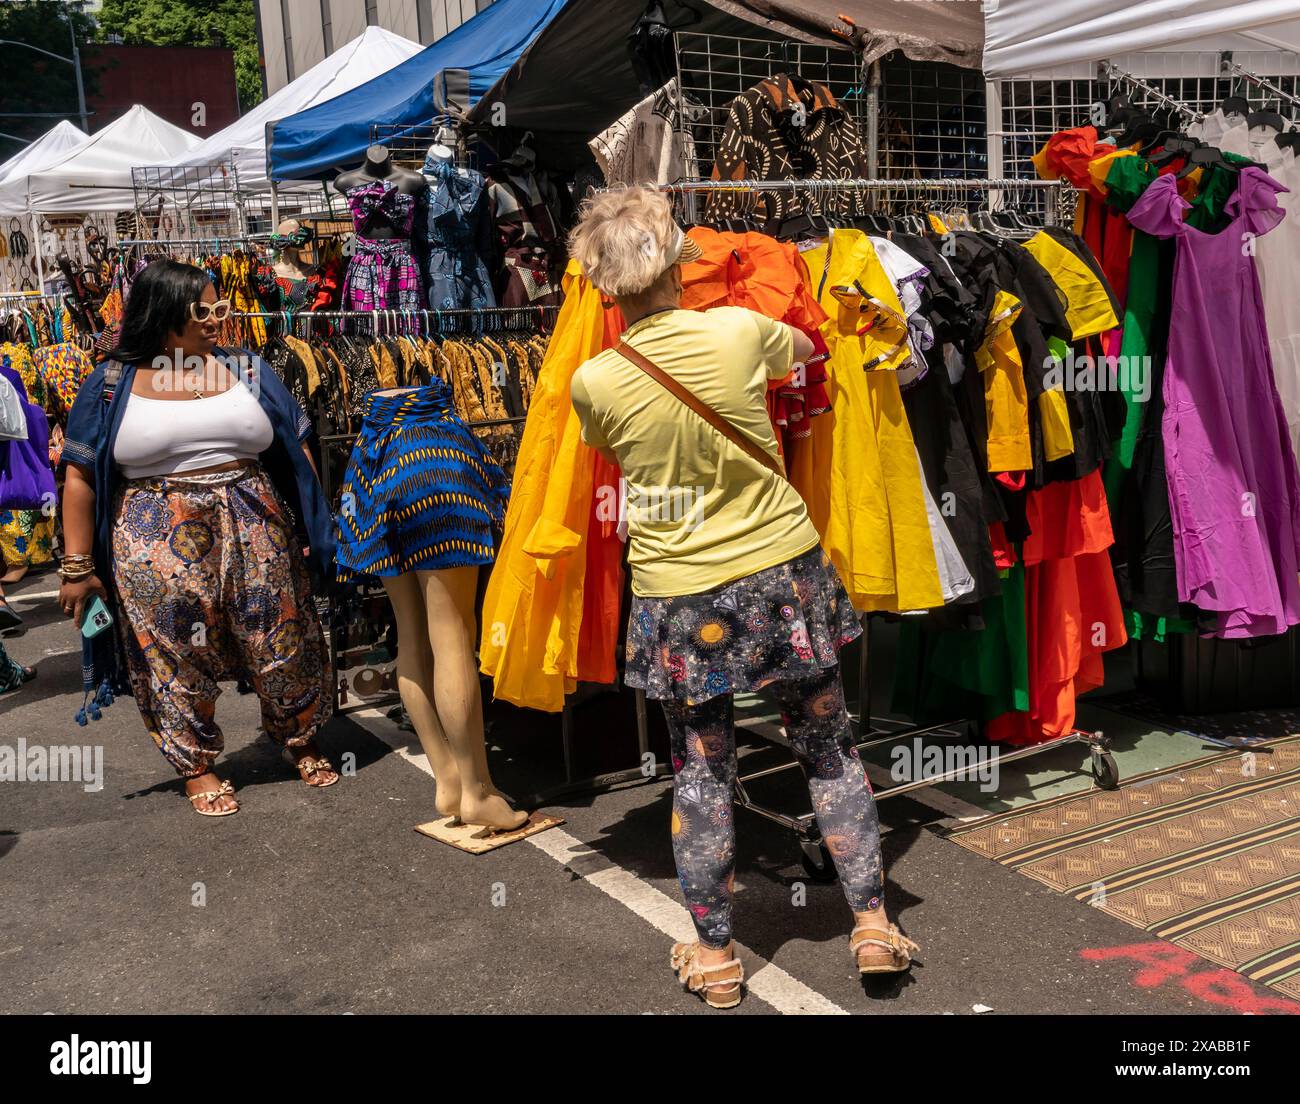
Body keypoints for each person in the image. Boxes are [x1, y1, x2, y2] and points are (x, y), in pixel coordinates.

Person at [567, 187, 918, 1009]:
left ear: (603, 284)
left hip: (682, 591)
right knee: (828, 748)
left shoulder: (595, 381)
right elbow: (803, 347)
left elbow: (612, 450)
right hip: (781, 571)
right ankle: (871, 926)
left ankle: (717, 958)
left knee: (700, 773)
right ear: (678, 259)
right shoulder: (737, 331)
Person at [59, 260, 338, 817]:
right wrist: (76, 566)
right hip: (153, 536)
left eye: (221, 307)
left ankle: (298, 736)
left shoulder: (249, 369)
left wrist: (313, 523)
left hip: (255, 523)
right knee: (173, 650)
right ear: (163, 316)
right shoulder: (112, 382)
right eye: (203, 310)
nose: (219, 318)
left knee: (280, 631)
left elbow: (295, 446)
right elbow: (79, 475)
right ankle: (198, 764)